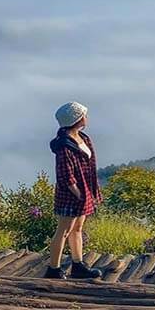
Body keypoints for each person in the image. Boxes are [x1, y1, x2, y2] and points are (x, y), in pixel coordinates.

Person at [46, 101, 103, 279]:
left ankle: (77, 265)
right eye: (84, 115)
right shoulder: (64, 145)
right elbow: (66, 176)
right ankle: (53, 269)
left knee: (77, 228)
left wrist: (88, 193)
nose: (86, 117)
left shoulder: (83, 138)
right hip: (71, 195)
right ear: (77, 119)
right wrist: (79, 195)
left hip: (83, 191)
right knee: (63, 231)